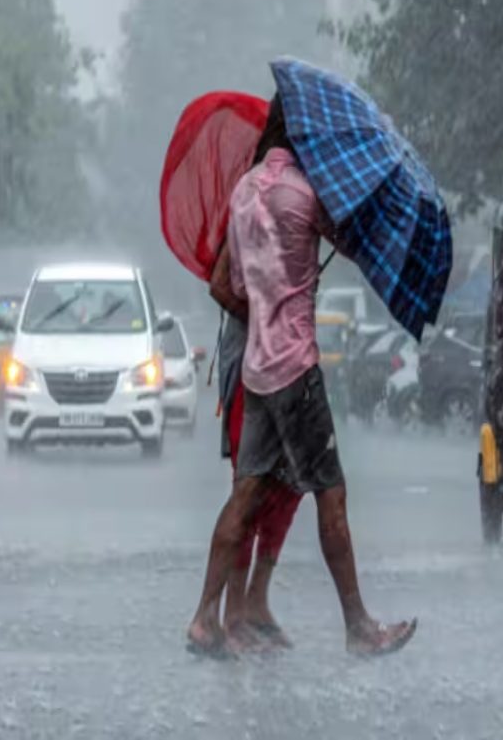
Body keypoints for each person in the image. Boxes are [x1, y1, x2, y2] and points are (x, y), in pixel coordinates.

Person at [186, 96, 417, 658]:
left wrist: (270, 299)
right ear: (306, 137)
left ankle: (203, 619)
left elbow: (233, 286)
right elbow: (355, 242)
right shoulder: (306, 195)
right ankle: (359, 626)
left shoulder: (244, 194)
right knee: (331, 497)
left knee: (244, 497)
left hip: (256, 370)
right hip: (295, 369)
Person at [209, 241, 302, 652]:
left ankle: (256, 600)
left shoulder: (298, 206)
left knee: (291, 484)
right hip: (250, 367)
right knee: (249, 487)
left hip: (289, 364)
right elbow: (220, 285)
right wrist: (264, 318)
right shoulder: (247, 205)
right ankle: (230, 612)